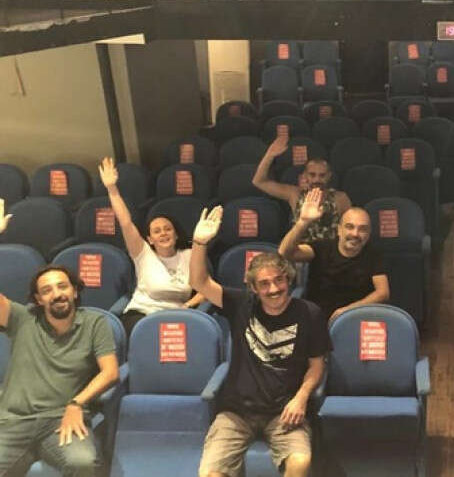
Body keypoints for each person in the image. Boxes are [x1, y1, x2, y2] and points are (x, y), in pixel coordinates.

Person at [189, 206, 330, 477]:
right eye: (264, 284)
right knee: (211, 475)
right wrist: (199, 243)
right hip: (236, 412)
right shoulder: (240, 304)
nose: (274, 289)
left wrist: (301, 398)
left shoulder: (309, 313)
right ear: (253, 288)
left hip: (284, 411)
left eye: (279, 280)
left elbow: (317, 366)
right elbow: (199, 281)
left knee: (300, 462)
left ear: (289, 280)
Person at [0, 263, 119, 477]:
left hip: (62, 419)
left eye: (62, 286)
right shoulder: (22, 318)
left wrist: (76, 403)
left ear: (75, 291)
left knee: (83, 463)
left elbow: (110, 372)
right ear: (38, 299)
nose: (56, 294)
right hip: (13, 421)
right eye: (47, 290)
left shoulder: (95, 323)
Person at [98, 157, 205, 335]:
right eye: (156, 231)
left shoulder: (190, 255)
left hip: (176, 318)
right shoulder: (143, 254)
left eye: (168, 229)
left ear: (176, 234)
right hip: (141, 315)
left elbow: (205, 289)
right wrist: (112, 189)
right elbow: (125, 222)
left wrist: (188, 305)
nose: (163, 233)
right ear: (150, 239)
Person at [278, 188, 389, 322]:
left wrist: (347, 311)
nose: (355, 234)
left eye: (362, 229)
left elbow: (383, 293)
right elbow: (284, 253)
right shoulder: (322, 247)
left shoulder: (373, 254)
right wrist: (303, 222)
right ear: (339, 230)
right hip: (316, 318)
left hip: (355, 317)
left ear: (369, 234)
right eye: (349, 227)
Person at [252, 133, 351, 242]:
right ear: (305, 175)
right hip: (299, 249)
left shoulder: (341, 198)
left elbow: (349, 229)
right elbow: (259, 182)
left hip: (330, 250)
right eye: (312, 175)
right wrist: (269, 155)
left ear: (329, 176)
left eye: (322, 175)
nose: (317, 179)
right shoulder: (294, 194)